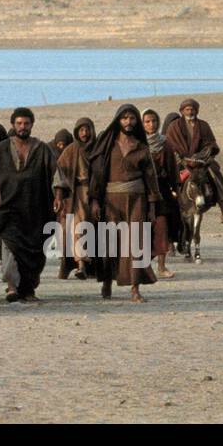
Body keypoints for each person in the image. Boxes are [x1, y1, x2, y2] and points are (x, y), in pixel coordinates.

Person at [87, 104, 160, 301]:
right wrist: (94, 200)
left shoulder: (142, 147)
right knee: (112, 242)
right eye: (124, 118)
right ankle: (107, 282)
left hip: (137, 199)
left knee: (136, 242)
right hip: (111, 200)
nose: (128, 122)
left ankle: (135, 288)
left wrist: (152, 206)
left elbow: (151, 179)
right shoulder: (108, 146)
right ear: (118, 120)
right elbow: (97, 174)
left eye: (132, 118)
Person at [0, 108, 57, 303]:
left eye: (26, 123)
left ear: (32, 125)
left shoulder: (42, 149)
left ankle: (28, 290)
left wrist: (58, 196)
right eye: (19, 123)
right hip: (8, 207)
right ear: (13, 125)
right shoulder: (3, 148)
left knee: (34, 251)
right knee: (10, 246)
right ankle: (11, 286)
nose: (22, 127)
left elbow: (56, 174)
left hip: (35, 208)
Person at [165, 98, 223, 223]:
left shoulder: (203, 125)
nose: (190, 111)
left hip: (201, 162)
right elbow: (170, 146)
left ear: (196, 111)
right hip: (181, 162)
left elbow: (211, 144)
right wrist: (183, 160)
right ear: (182, 111)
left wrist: (202, 156)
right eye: (187, 109)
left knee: (214, 172)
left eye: (192, 109)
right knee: (169, 178)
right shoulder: (173, 127)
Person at [53, 117, 97, 280]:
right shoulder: (71, 150)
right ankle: (81, 265)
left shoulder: (98, 149)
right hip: (75, 195)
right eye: (81, 130)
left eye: (87, 129)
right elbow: (59, 175)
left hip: (94, 194)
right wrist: (58, 196)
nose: (85, 133)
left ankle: (92, 266)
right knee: (78, 228)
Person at [142, 108, 179, 279]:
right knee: (142, 230)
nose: (151, 124)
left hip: (162, 191)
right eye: (147, 121)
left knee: (162, 227)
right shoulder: (138, 143)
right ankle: (144, 266)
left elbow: (172, 169)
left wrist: (174, 188)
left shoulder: (165, 143)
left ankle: (162, 267)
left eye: (154, 121)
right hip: (142, 192)